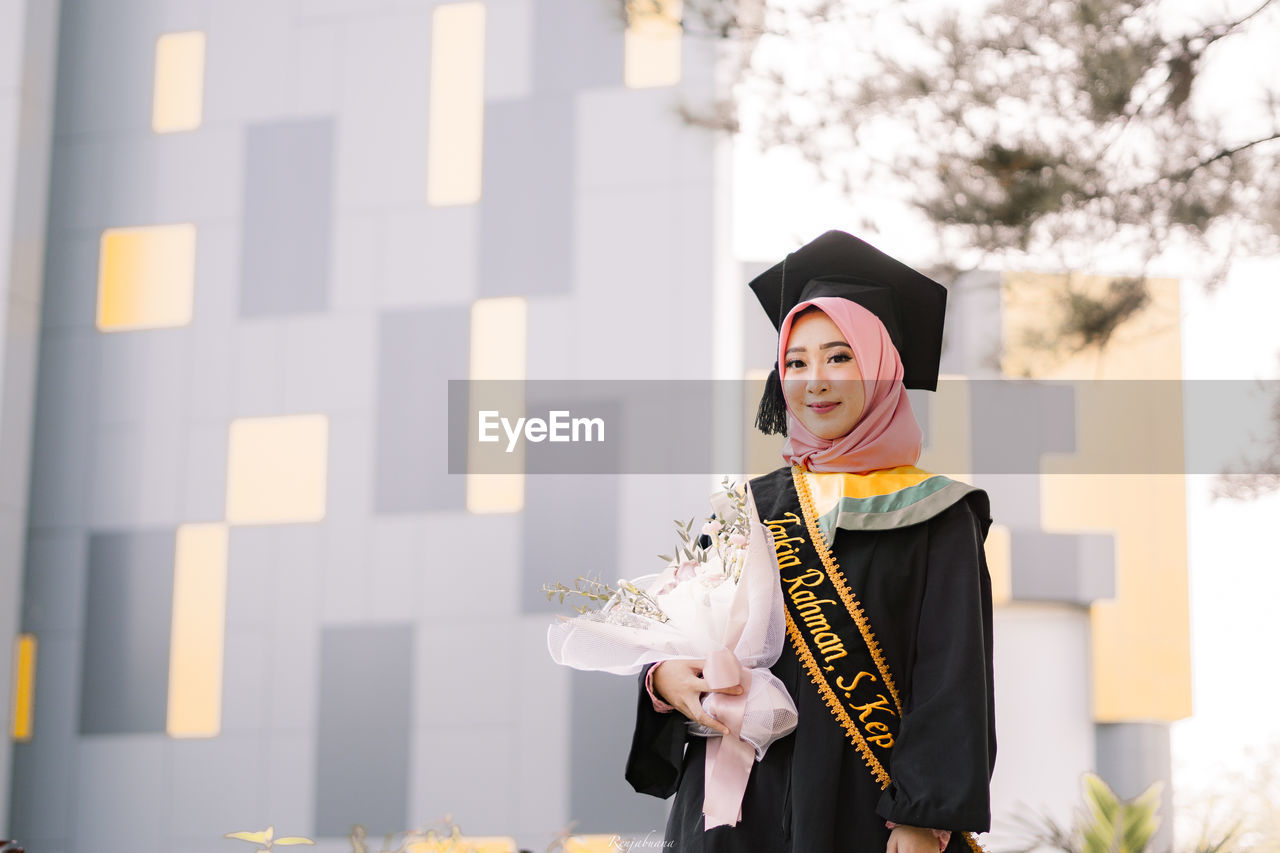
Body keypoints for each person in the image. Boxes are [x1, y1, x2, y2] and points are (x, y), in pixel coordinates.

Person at [624, 230, 996, 853]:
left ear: (882, 368)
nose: (813, 380)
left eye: (839, 356)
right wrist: (662, 681)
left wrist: (921, 815)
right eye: (794, 362)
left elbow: (953, 677)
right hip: (734, 809)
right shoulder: (753, 505)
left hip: (864, 810)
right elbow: (686, 631)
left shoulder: (938, 511)